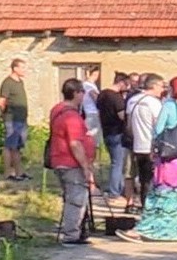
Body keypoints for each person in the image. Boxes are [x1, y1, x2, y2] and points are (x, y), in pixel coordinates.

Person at [117, 76, 177, 242]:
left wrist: (154, 148)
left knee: (162, 194)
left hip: (171, 159)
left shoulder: (169, 106)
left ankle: (152, 230)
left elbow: (158, 130)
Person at [47, 78, 96, 246]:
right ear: (76, 93)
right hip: (71, 162)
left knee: (71, 197)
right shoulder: (71, 116)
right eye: (82, 92)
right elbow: (75, 143)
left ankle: (78, 230)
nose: (83, 96)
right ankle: (71, 236)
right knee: (76, 200)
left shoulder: (57, 109)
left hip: (58, 159)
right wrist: (86, 167)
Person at [127, 73, 165, 208]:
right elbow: (160, 125)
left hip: (137, 145)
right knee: (152, 180)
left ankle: (144, 206)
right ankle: (150, 208)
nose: (162, 89)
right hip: (151, 146)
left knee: (143, 180)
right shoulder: (154, 103)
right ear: (153, 86)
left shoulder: (132, 100)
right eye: (161, 86)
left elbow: (129, 124)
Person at [96, 71, 129, 199]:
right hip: (117, 132)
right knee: (118, 163)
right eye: (126, 85)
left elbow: (99, 112)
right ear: (120, 83)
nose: (127, 88)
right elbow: (122, 116)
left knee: (114, 161)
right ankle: (115, 191)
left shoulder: (102, 94)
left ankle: (118, 188)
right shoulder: (116, 97)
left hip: (106, 131)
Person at [0, 57, 30, 181]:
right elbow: (1, 101)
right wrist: (4, 115)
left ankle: (19, 172)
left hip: (21, 119)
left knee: (17, 147)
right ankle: (7, 173)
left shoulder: (20, 82)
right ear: (15, 68)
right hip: (12, 119)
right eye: (22, 67)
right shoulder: (7, 82)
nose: (25, 70)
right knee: (9, 146)